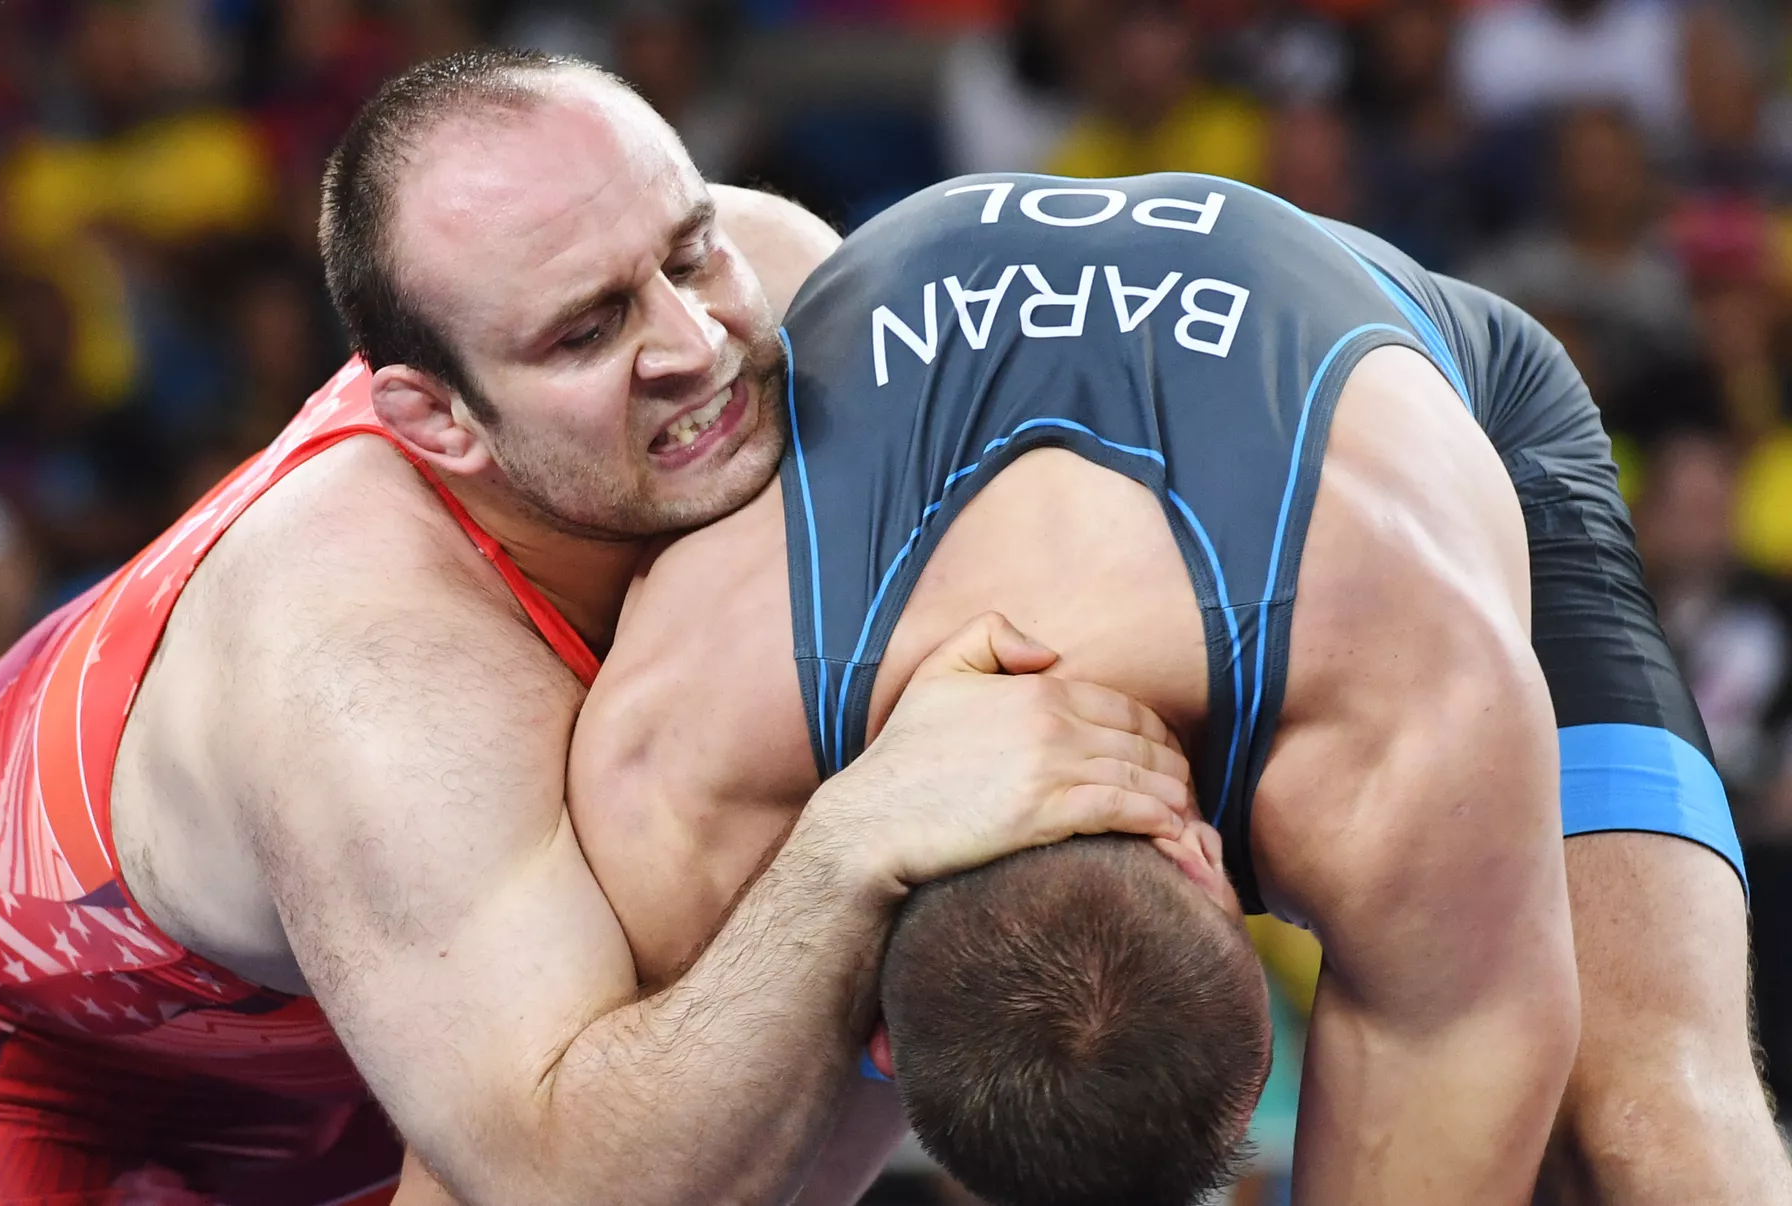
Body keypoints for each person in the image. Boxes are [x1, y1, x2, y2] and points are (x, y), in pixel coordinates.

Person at [0, 52, 1186, 1204]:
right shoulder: (371, 664)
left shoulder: (779, 277)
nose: (694, 345)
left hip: (387, 1006)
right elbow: (568, 1185)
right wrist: (863, 839)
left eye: (685, 252)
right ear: (440, 421)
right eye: (587, 332)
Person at [563, 172, 1789, 1204]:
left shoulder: (1414, 716)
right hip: (1189, 435)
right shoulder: (691, 756)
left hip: (1450, 410)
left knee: (1651, 1121)